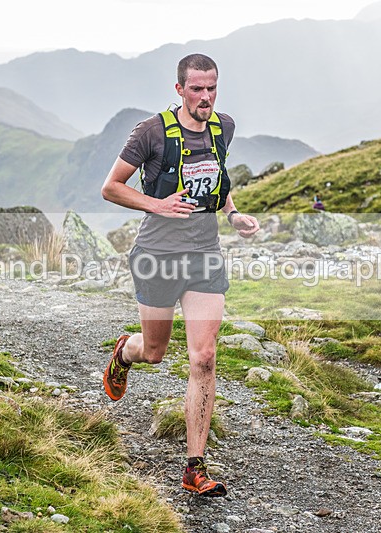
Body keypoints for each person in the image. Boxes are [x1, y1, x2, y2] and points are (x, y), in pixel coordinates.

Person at [100, 54, 260, 497]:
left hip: (205, 256)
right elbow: (111, 186)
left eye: (211, 88)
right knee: (154, 352)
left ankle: (195, 467)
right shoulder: (151, 132)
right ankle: (124, 351)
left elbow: (218, 180)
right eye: (196, 89)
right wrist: (158, 204)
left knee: (204, 357)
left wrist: (232, 214)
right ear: (179, 90)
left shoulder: (223, 127)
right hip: (157, 254)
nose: (205, 97)